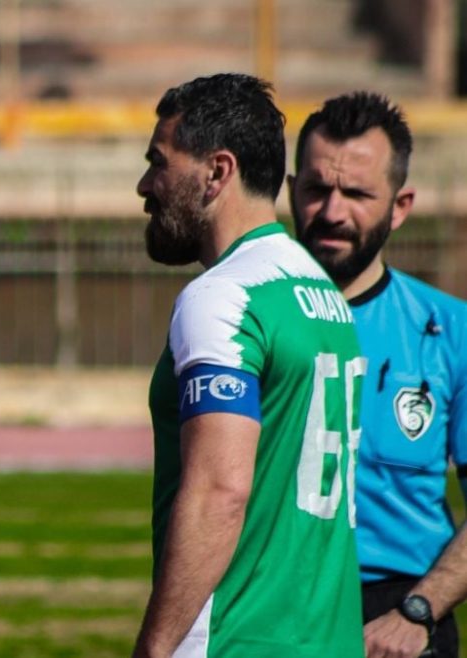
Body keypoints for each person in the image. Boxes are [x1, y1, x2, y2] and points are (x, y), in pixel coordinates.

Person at [131, 73, 365, 657]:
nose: (145, 185)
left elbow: (219, 490)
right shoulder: (323, 293)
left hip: (238, 638)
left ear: (217, 171)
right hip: (326, 639)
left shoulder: (224, 296)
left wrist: (156, 648)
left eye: (159, 162)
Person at [291, 91, 467, 658]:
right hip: (276, 609)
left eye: (358, 193)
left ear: (400, 205)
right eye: (318, 189)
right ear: (292, 189)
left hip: (400, 615)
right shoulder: (247, 315)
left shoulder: (450, 330)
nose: (333, 211)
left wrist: (418, 611)